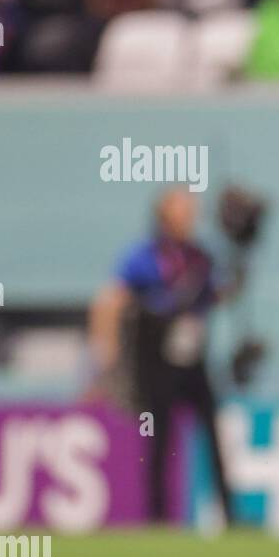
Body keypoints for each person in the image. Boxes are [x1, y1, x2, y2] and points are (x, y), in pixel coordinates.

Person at [89, 187, 240, 524]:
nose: (190, 216)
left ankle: (230, 514)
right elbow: (110, 301)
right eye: (182, 209)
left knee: (212, 433)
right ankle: (157, 517)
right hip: (155, 362)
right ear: (163, 214)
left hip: (193, 361)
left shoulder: (201, 257)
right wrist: (107, 359)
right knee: (158, 439)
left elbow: (218, 294)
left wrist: (240, 254)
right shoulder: (143, 256)